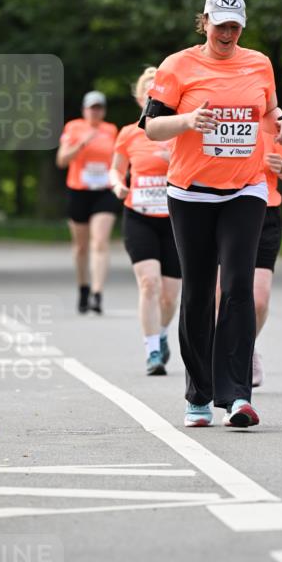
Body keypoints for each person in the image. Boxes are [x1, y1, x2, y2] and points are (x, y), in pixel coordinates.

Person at [141, 0, 282, 428]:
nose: (227, 32)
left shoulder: (259, 63)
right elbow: (151, 126)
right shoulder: (178, 66)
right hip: (190, 192)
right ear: (204, 22)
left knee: (237, 289)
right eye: (219, 24)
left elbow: (268, 111)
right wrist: (188, 121)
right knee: (197, 289)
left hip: (246, 189)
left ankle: (238, 396)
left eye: (234, 25)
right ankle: (199, 394)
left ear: (242, 27)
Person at [216, 112, 282, 387]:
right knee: (221, 295)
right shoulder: (226, 116)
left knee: (259, 299)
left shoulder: (273, 123)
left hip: (266, 213)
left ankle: (245, 348)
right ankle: (223, 352)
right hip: (224, 210)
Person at [109, 67, 181, 376]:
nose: (154, 98)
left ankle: (162, 333)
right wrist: (117, 184)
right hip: (139, 215)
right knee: (149, 282)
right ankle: (152, 349)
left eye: (159, 93)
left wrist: (174, 160)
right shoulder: (128, 133)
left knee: (169, 294)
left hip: (178, 219)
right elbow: (115, 168)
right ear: (141, 98)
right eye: (149, 93)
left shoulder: (180, 130)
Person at [56, 91, 120, 314]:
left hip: (104, 191)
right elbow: (61, 160)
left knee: (100, 241)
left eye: (99, 108)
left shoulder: (111, 130)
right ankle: (83, 287)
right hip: (79, 191)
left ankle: (97, 293)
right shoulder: (74, 128)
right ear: (84, 110)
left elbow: (119, 159)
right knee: (81, 247)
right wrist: (81, 145)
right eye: (92, 108)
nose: (96, 112)